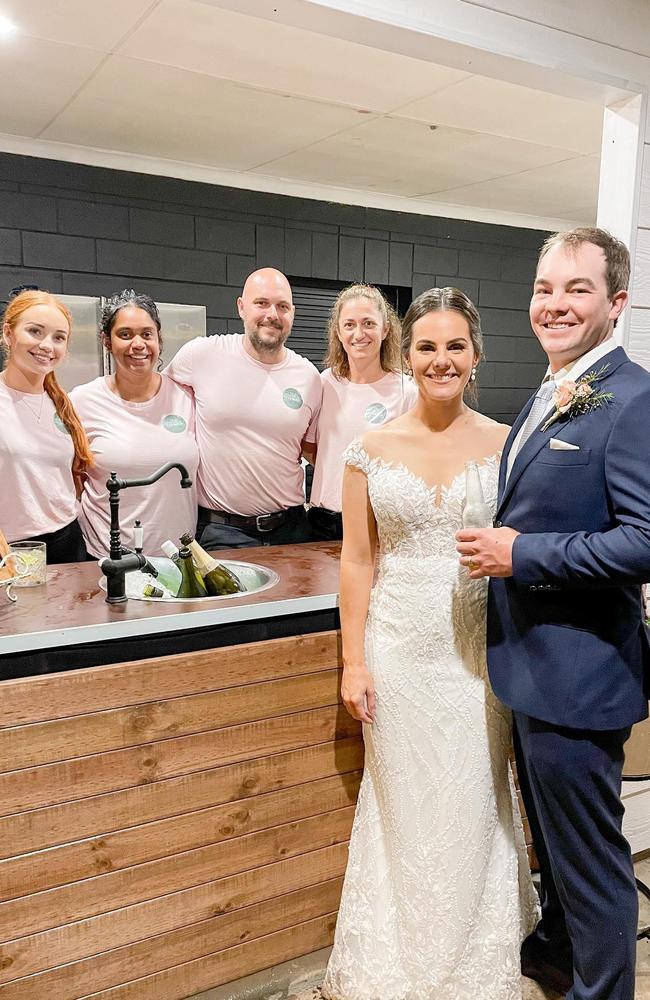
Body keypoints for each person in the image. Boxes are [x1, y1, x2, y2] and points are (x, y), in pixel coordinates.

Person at [322, 287, 538, 1000]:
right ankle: (401, 955)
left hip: (477, 651)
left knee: (474, 798)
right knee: (405, 803)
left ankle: (474, 956)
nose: (440, 360)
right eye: (426, 347)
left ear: (476, 357)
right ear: (405, 355)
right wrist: (353, 660)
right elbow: (358, 559)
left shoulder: (510, 446)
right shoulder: (369, 450)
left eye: (455, 346)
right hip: (398, 646)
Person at [456, 227, 650, 1000]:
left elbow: (643, 541)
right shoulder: (551, 386)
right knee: (558, 851)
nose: (555, 304)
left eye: (577, 289)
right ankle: (558, 952)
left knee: (593, 863)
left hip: (581, 670)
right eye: (545, 288)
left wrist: (521, 556)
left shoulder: (633, 400)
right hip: (532, 665)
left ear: (617, 303)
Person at [166, 268, 321, 548]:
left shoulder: (309, 376)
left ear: (293, 313)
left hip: (292, 531)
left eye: (282, 306)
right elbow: (155, 396)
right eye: (261, 303)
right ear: (241, 307)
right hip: (223, 531)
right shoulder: (202, 355)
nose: (272, 314)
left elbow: (314, 449)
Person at [70, 290, 198, 558]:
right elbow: (71, 477)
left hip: (181, 559)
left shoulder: (187, 396)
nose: (138, 344)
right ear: (107, 340)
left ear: (159, 339)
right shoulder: (82, 401)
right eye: (125, 334)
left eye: (147, 334)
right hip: (106, 559)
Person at [306, 283, 417, 541]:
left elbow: (412, 463)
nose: (359, 334)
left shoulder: (406, 391)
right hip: (322, 522)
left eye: (368, 323)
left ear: (386, 329)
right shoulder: (325, 383)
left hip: (376, 523)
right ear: (338, 331)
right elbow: (312, 449)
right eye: (349, 324)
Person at [0, 289, 92, 563]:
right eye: (35, 331)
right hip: (10, 549)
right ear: (8, 334)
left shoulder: (62, 404)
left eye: (58, 337)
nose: (46, 345)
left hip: (68, 542)